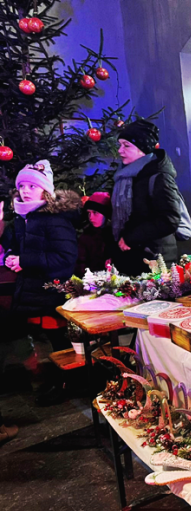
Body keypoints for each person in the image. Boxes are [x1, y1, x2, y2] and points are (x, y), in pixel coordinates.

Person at [0, 160, 81, 408]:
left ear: (45, 189)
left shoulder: (53, 218)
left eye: (32, 186)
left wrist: (25, 260)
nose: (25, 190)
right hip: (36, 289)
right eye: (22, 185)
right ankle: (61, 379)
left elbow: (66, 259)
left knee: (60, 339)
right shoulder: (28, 216)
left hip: (52, 290)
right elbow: (26, 248)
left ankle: (68, 383)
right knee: (52, 339)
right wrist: (15, 257)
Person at [111, 118, 182, 276]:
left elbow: (169, 219)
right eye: (120, 145)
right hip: (133, 258)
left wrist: (130, 238)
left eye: (127, 146)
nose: (120, 151)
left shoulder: (159, 177)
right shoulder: (127, 177)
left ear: (143, 149)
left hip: (155, 259)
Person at [75, 191, 115, 276]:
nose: (91, 217)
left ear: (105, 214)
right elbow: (80, 263)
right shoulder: (86, 236)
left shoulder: (115, 235)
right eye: (89, 213)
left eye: (95, 212)